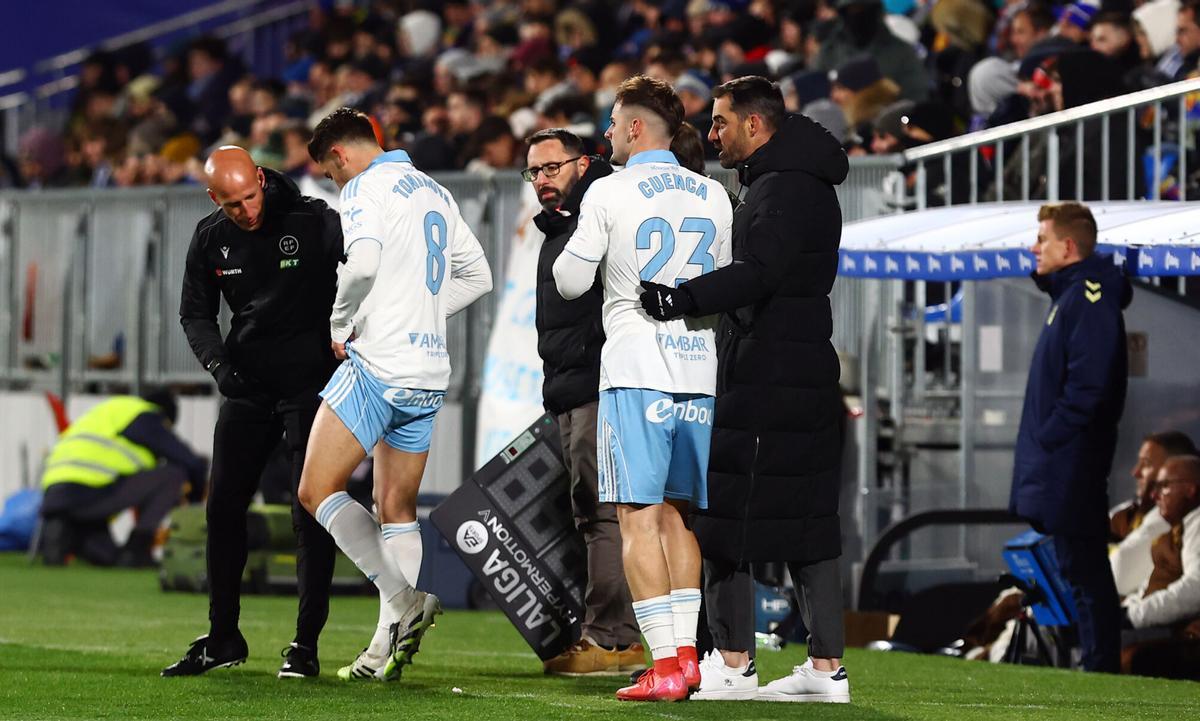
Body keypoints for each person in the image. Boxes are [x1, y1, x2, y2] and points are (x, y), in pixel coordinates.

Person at [639, 75, 851, 703]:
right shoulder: (800, 182)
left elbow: (760, 272)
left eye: (722, 123)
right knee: (810, 519)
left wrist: (681, 299)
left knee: (725, 515)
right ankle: (824, 668)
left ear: (756, 126)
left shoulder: (782, 189)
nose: (712, 135)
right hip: (803, 367)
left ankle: (733, 662)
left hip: (768, 373)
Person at [553, 75, 732, 702]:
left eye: (611, 121)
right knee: (682, 517)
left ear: (635, 128)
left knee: (635, 519)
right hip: (698, 372)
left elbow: (570, 281)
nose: (605, 133)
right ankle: (686, 657)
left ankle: (663, 661)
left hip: (636, 373)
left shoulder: (609, 189)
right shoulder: (715, 194)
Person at [297, 107, 492, 682]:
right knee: (397, 509)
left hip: (378, 364)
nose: (337, 185)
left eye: (332, 175)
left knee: (315, 489)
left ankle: (401, 600)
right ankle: (384, 650)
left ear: (340, 156)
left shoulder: (364, 187)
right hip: (428, 370)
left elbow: (360, 265)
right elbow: (476, 275)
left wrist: (340, 325)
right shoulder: (434, 190)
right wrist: (423, 312)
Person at [164, 145, 343, 679]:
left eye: (251, 196)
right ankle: (223, 638)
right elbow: (194, 314)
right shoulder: (210, 236)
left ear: (261, 179)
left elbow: (369, 268)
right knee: (222, 509)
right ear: (213, 198)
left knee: (309, 511)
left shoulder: (313, 220)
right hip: (245, 386)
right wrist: (220, 366)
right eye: (233, 203)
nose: (247, 210)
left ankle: (305, 646)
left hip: (312, 385)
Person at [524, 128, 643, 675]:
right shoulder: (562, 225)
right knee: (595, 512)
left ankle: (612, 639)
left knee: (602, 512)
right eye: (534, 172)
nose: (542, 180)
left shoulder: (598, 213)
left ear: (584, 162)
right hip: (574, 387)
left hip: (599, 384)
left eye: (551, 168)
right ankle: (618, 634)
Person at [1009, 201, 1132, 673]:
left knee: (1084, 568)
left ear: (1069, 245)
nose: (1033, 248)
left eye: (1041, 240)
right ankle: (1096, 661)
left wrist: (1053, 435)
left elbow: (1089, 385)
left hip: (1073, 457)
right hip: (1064, 455)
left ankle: (1101, 666)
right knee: (1076, 565)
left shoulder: (1089, 298)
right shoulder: (1069, 296)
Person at [39, 389, 205, 568]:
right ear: (165, 419)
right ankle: (137, 549)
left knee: (110, 557)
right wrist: (195, 501)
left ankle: (68, 531)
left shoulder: (111, 412)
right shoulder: (146, 416)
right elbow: (191, 462)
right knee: (174, 474)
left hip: (54, 493)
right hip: (90, 491)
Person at [1120, 455, 1200, 679]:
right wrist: (1127, 609)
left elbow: (1196, 590)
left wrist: (1132, 616)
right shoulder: (1175, 531)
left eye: (1165, 486)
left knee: (1110, 643)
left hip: (1185, 634)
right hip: (1163, 625)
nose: (1155, 495)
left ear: (1191, 489)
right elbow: (1152, 583)